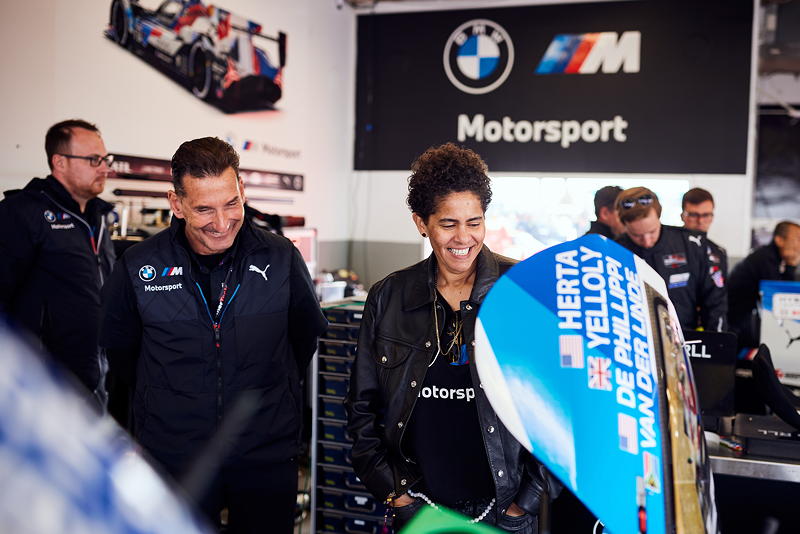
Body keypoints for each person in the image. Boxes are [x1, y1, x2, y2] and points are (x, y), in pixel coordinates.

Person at [99, 137, 327, 534]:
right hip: (175, 455)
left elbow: (303, 338)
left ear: (242, 191)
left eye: (231, 204)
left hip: (265, 452)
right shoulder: (139, 265)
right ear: (177, 204)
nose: (221, 224)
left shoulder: (280, 257)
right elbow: (122, 353)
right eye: (204, 209)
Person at [345, 143, 553, 533]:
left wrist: (524, 503)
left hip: (504, 512)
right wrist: (397, 496)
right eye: (448, 224)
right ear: (421, 223)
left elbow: (560, 409)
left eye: (474, 222)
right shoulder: (389, 296)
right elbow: (361, 409)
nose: (464, 237)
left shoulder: (522, 292)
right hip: (419, 507)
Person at [0, 119, 115, 407]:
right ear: (59, 162)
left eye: (106, 159)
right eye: (94, 160)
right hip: (42, 387)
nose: (104, 168)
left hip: (96, 376)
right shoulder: (22, 213)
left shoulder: (98, 217)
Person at [615, 187, 726, 332]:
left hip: (686, 336)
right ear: (624, 226)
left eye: (652, 232)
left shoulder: (691, 244)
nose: (647, 241)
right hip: (638, 337)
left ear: (659, 217)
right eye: (637, 235)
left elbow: (715, 304)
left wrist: (716, 342)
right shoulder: (614, 251)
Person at [727, 221, 800, 348]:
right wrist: (791, 265)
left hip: (744, 320)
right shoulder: (764, 258)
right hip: (735, 324)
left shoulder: (771, 257)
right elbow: (780, 296)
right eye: (798, 239)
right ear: (779, 240)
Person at [681, 187, 727, 286]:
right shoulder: (667, 246)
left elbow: (720, 289)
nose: (700, 221)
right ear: (682, 216)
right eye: (693, 215)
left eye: (705, 215)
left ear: (712, 217)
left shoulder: (718, 253)